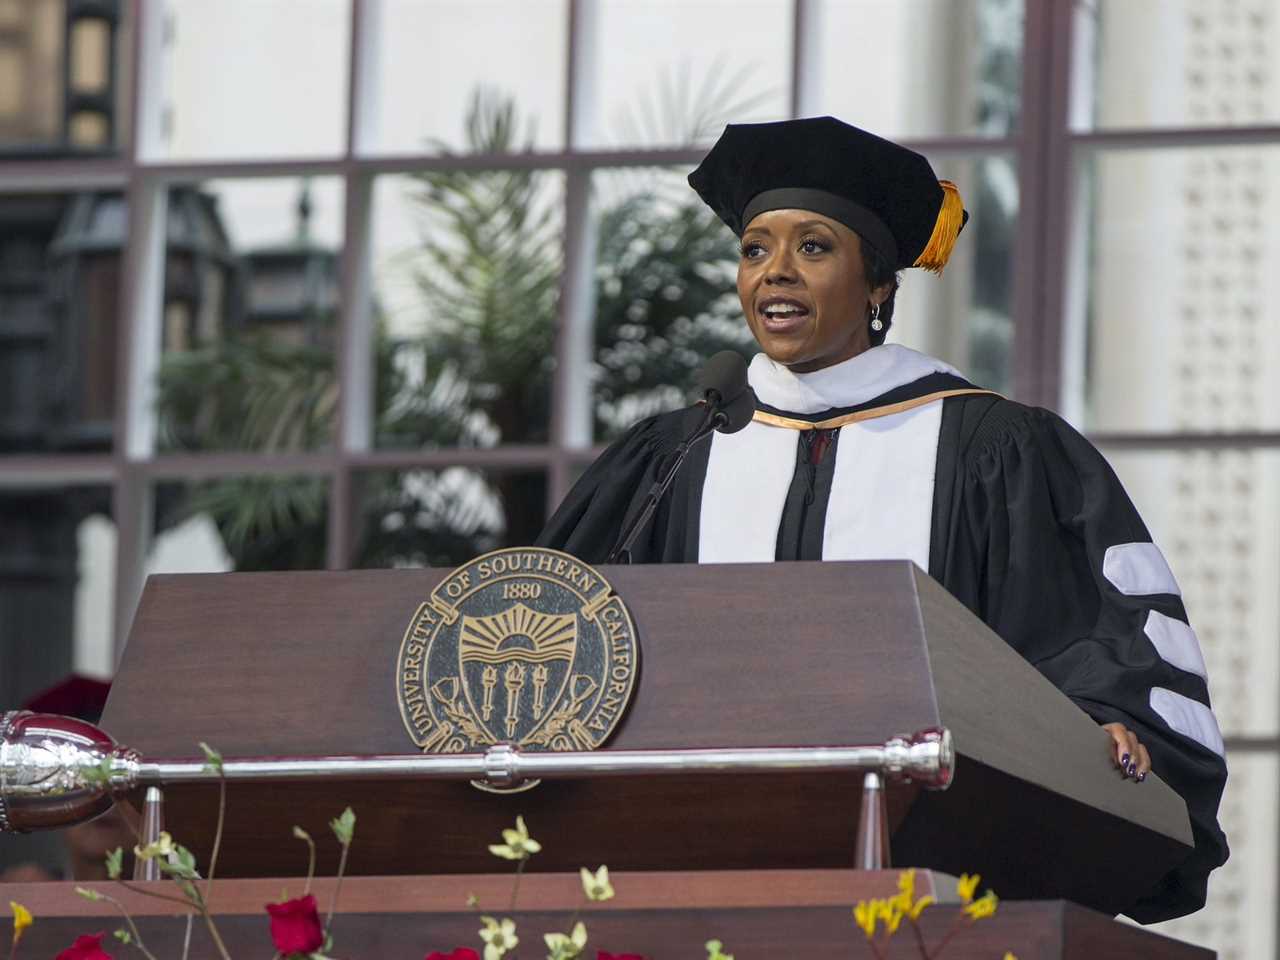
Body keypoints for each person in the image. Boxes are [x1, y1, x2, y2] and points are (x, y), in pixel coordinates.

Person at [538, 116, 1228, 921]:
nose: (775, 272)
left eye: (814, 247)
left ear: (878, 288)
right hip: (695, 877)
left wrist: (1102, 722)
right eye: (755, 249)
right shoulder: (676, 455)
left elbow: (1090, 636)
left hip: (938, 883)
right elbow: (556, 631)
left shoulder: (992, 450)